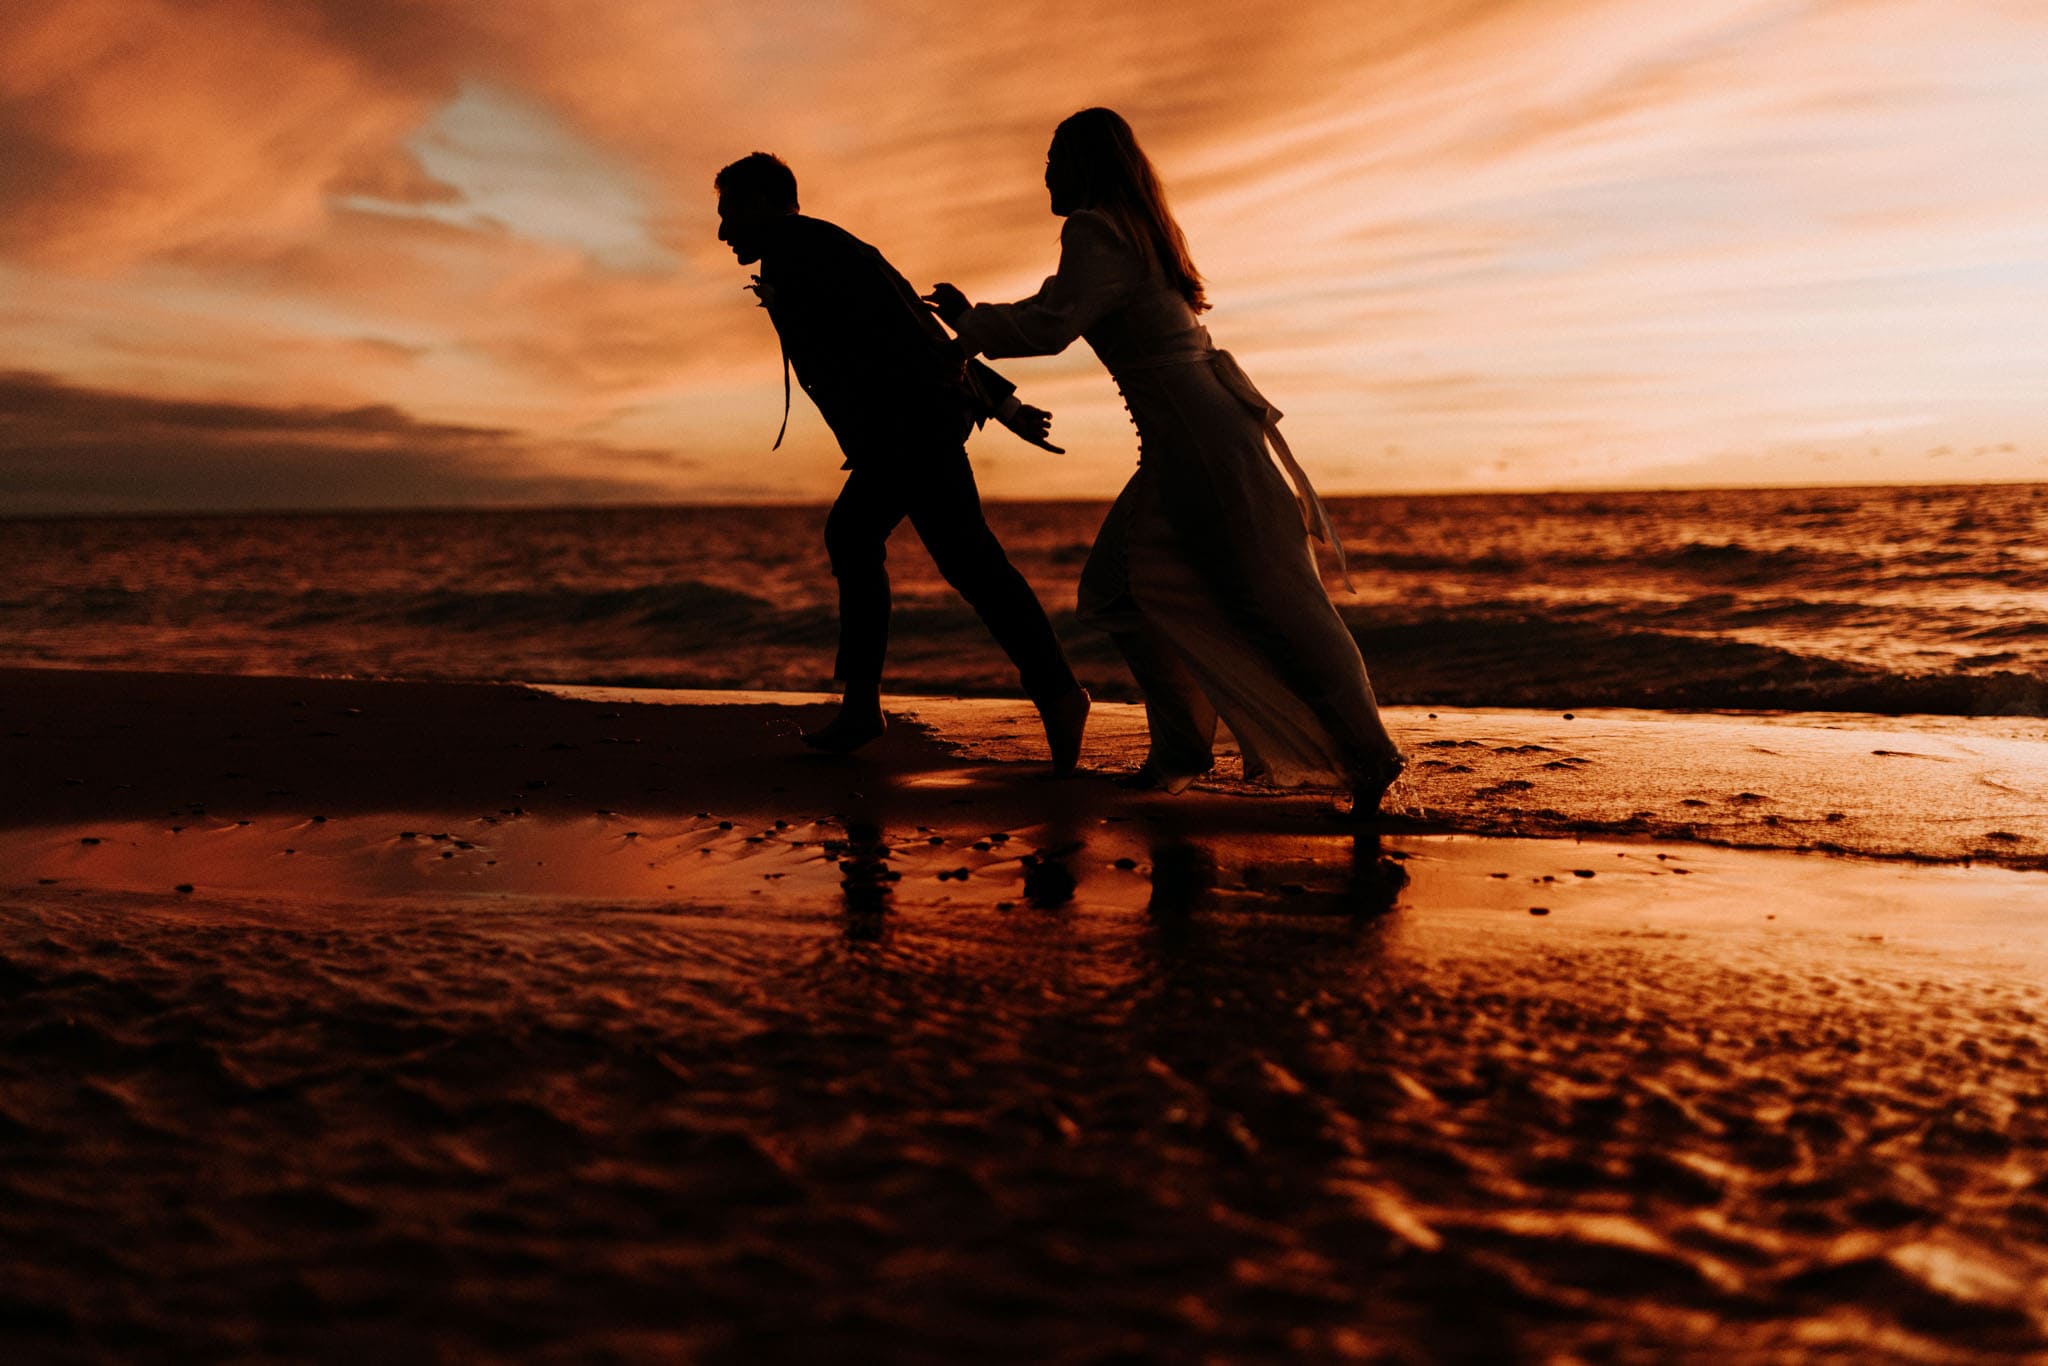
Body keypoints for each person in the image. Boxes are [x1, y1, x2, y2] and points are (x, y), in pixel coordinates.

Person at [923, 109, 1405, 812]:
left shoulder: (1094, 228)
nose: (1046, 171)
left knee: (1267, 600)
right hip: (1198, 436)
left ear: (1086, 164)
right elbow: (1060, 306)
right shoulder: (1134, 230)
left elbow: (1054, 325)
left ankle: (1362, 756)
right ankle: (1192, 748)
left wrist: (971, 328)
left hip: (1198, 443)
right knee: (1155, 593)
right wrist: (976, 320)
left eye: (1056, 157)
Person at [715, 152, 1090, 771]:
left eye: (730, 215)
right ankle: (1040, 691)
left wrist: (1000, 402)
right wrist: (1001, 404)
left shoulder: (811, 250)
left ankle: (1051, 692)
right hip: (902, 430)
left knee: (922, 551)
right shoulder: (803, 249)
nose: (723, 232)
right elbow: (896, 333)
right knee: (951, 557)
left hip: (914, 427)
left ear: (762, 203)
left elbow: (910, 330)